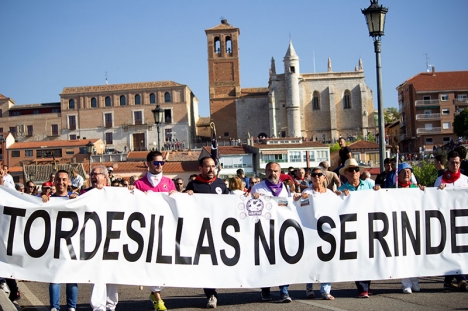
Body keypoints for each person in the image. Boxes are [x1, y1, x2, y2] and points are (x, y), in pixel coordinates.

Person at [250, 162, 298, 303]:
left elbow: (290, 206)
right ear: (265, 172)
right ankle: (265, 290)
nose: (273, 173)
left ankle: (284, 291)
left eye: (276, 171)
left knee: (284, 261)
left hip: (282, 230)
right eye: (270, 171)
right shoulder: (257, 188)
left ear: (280, 172)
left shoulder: (286, 188)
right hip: (264, 231)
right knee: (266, 262)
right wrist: (253, 198)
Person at [134, 151, 176, 311]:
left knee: (162, 263)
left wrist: (180, 196)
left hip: (165, 229)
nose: (159, 166)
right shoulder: (139, 184)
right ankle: (157, 297)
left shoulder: (169, 183)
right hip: (146, 230)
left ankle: (155, 292)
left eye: (162, 163)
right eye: (156, 163)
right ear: (148, 164)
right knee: (151, 262)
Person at [185, 157, 229, 308]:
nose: (211, 169)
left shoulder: (221, 184)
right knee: (206, 263)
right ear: (201, 169)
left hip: (220, 230)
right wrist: (187, 195)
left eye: (213, 166)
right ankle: (211, 294)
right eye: (208, 167)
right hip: (202, 231)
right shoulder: (194, 185)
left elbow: (230, 204)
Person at [80, 165, 119, 311]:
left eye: (98, 174)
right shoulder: (85, 193)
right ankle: (98, 307)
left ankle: (111, 305)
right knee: (97, 273)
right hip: (94, 240)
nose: (95, 177)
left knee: (112, 273)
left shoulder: (116, 193)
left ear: (105, 177)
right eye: (93, 174)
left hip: (112, 239)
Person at [338, 158, 378, 298]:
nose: (354, 172)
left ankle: (367, 285)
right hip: (352, 227)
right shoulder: (341, 190)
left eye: (356, 170)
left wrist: (378, 191)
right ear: (345, 174)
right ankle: (362, 287)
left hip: (368, 225)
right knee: (358, 257)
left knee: (369, 256)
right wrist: (340, 196)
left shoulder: (369, 185)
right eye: (350, 170)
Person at [295, 166, 336, 300]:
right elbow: (298, 203)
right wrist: (300, 197)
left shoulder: (330, 194)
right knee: (312, 260)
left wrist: (343, 195)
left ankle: (325, 290)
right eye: (314, 175)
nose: (316, 177)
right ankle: (309, 287)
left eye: (319, 175)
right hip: (311, 231)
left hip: (326, 232)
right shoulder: (307, 191)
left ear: (324, 177)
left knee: (327, 261)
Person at [42, 170, 79, 311]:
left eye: (64, 179)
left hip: (72, 244)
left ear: (68, 182)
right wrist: (43, 200)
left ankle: (71, 307)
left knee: (71, 277)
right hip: (54, 244)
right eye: (58, 179)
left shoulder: (77, 198)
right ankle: (54, 307)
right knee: (55, 277)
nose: (61, 182)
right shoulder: (48, 200)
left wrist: (77, 199)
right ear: (54, 182)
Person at [392, 163, 425, 294]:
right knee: (402, 256)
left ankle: (415, 281)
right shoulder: (392, 189)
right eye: (403, 171)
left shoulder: (416, 188)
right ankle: (406, 283)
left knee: (414, 255)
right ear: (398, 174)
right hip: (399, 226)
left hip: (414, 226)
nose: (407, 174)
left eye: (409, 171)